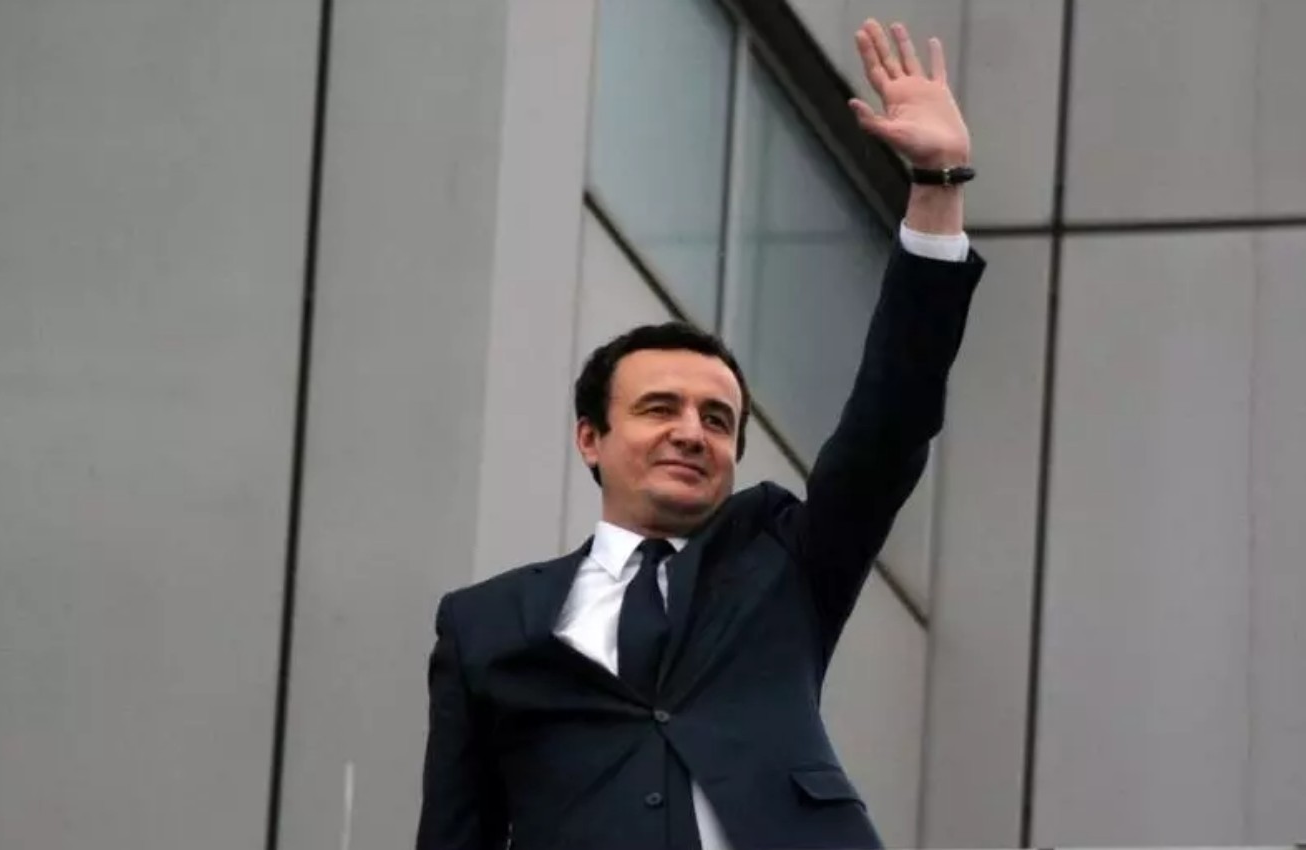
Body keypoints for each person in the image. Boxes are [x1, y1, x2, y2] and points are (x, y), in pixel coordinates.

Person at [417, 19, 984, 850]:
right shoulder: (484, 622)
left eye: (716, 420)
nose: (691, 432)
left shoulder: (784, 559)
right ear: (590, 438)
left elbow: (888, 420)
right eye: (659, 409)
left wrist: (936, 186)